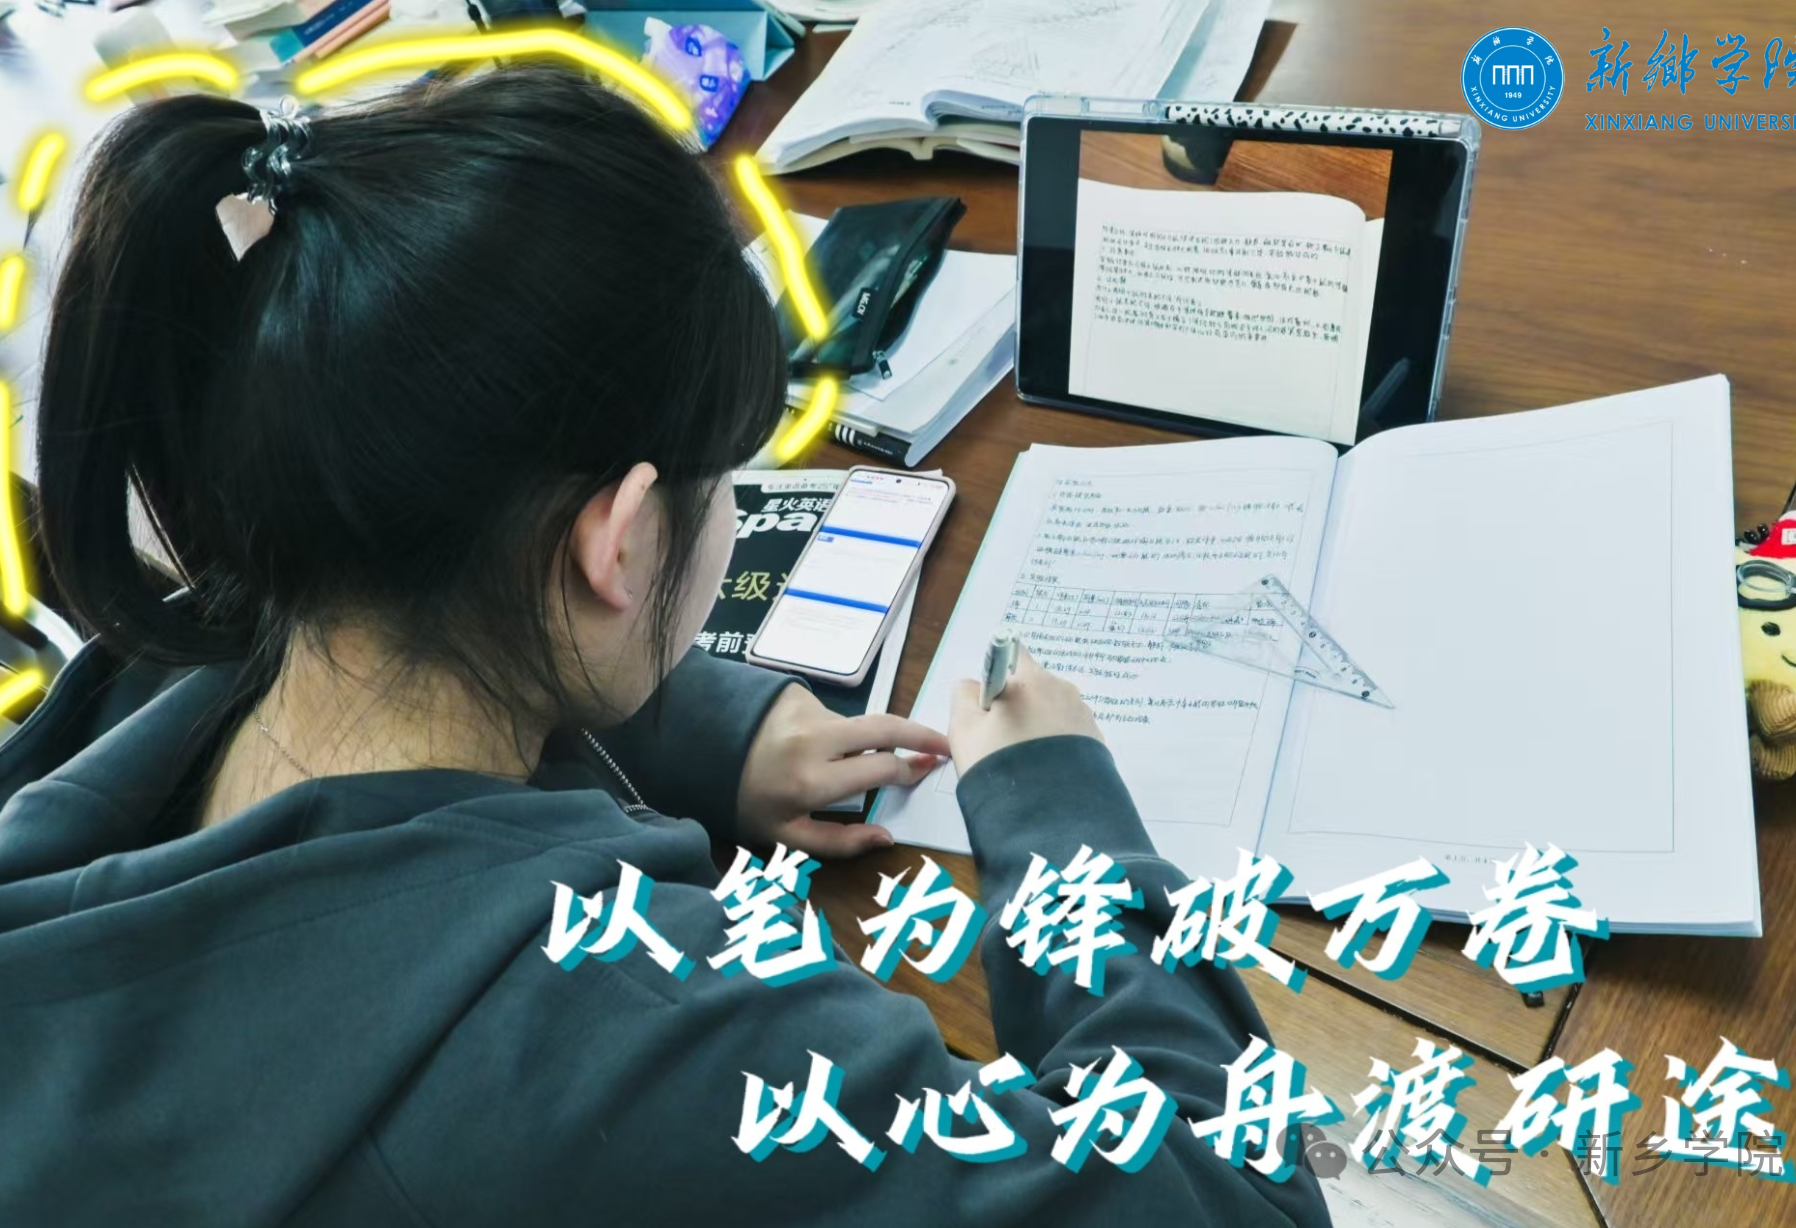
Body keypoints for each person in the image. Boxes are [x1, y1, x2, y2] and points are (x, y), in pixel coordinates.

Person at [0, 65, 1331, 1226]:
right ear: (625, 540)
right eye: (727, 482)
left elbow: (443, 632)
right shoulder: (645, 1041)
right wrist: (1059, 820)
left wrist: (718, 729)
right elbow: (1230, 1198)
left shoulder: (203, 636)